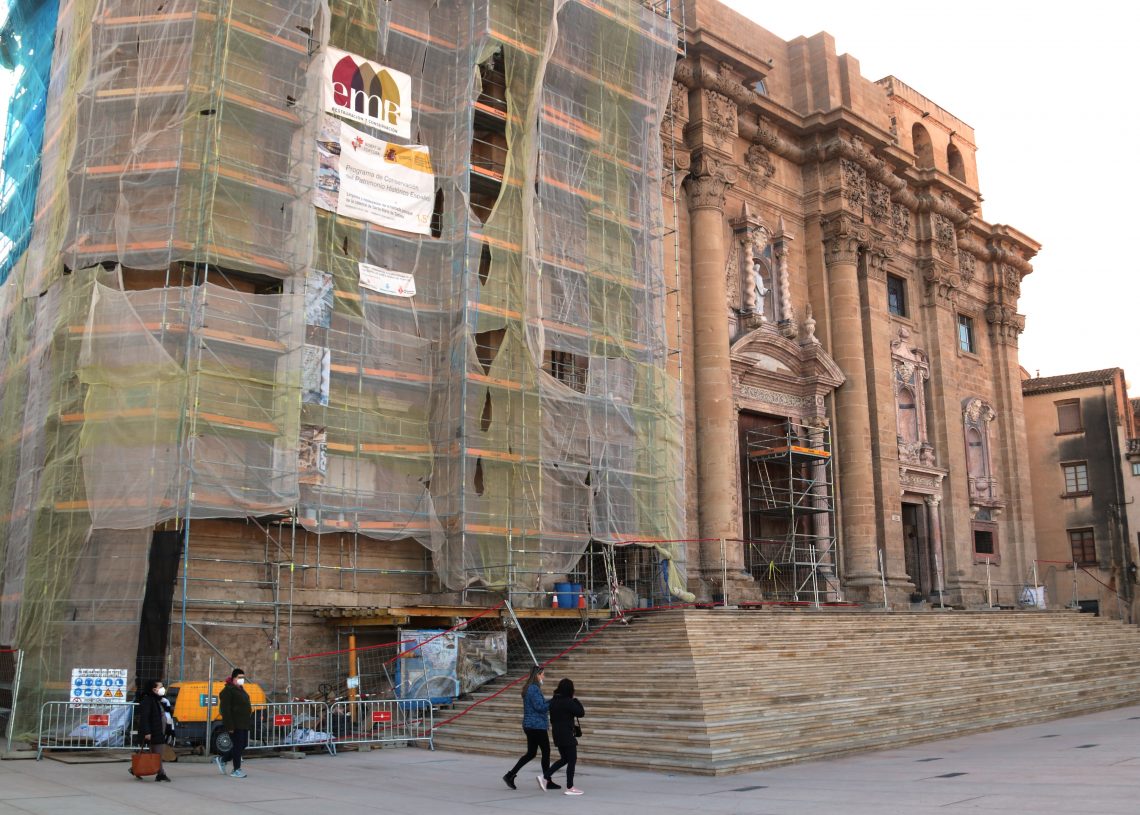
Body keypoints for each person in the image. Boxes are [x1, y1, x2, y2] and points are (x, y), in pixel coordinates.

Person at [502, 665, 557, 790]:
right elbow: (540, 707)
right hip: (536, 725)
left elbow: (540, 704)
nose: (544, 676)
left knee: (531, 753)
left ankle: (510, 775)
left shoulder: (530, 688)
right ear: (537, 675)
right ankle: (547, 780)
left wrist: (551, 701)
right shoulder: (533, 689)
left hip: (530, 725)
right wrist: (554, 701)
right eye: (543, 674)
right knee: (546, 752)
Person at [542, 677, 585, 795]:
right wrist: (576, 700)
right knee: (572, 759)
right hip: (567, 734)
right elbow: (581, 713)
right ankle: (570, 787)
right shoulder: (568, 701)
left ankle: (545, 776)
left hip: (557, 734)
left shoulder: (554, 701)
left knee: (565, 759)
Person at [216, 668, 252, 778]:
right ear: (233, 678)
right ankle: (236, 769)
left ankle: (223, 759)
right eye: (239, 677)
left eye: (243, 678)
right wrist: (230, 726)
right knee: (237, 746)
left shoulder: (240, 689)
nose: (242, 680)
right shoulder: (228, 691)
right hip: (235, 724)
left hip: (243, 723)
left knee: (243, 744)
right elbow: (225, 710)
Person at [137, 679, 171, 782]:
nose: (162, 689)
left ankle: (135, 769)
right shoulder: (148, 700)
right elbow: (145, 718)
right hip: (153, 732)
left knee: (154, 754)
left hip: (158, 731)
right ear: (154, 689)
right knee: (158, 755)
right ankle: (161, 774)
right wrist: (147, 732)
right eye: (160, 687)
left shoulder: (156, 700)